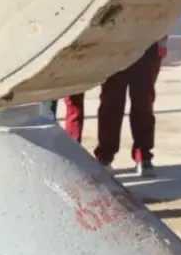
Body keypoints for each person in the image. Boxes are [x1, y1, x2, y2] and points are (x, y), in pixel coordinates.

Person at [64, 40, 166, 175]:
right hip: (115, 48)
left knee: (143, 104)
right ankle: (105, 156)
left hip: (146, 45)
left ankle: (143, 156)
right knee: (111, 104)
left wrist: (162, 44)